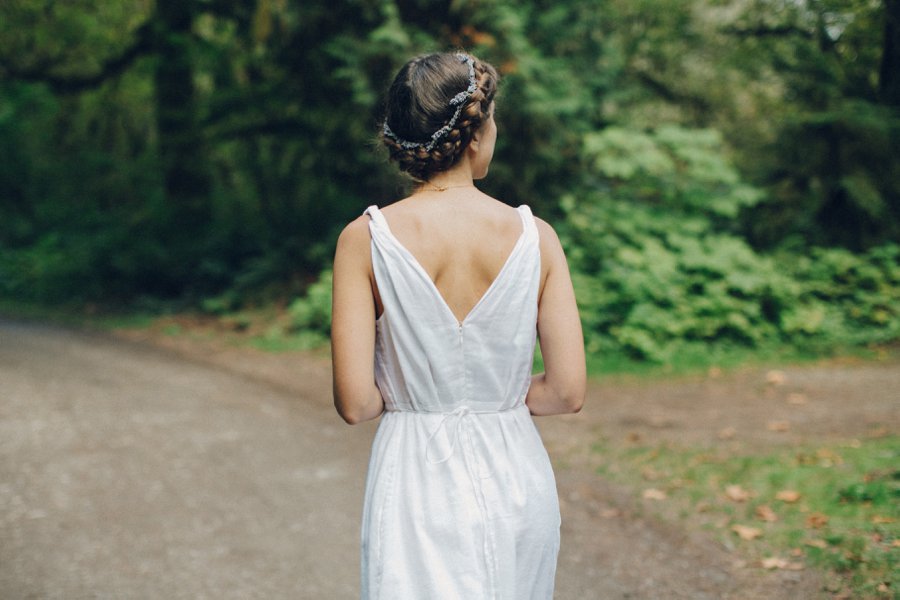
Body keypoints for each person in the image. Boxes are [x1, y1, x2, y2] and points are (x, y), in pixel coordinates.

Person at [331, 51, 586, 600]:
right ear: (474, 135)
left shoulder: (364, 239)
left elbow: (358, 403)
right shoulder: (535, 235)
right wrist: (496, 399)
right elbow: (566, 392)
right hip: (516, 468)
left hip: (414, 476)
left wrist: (421, 393)